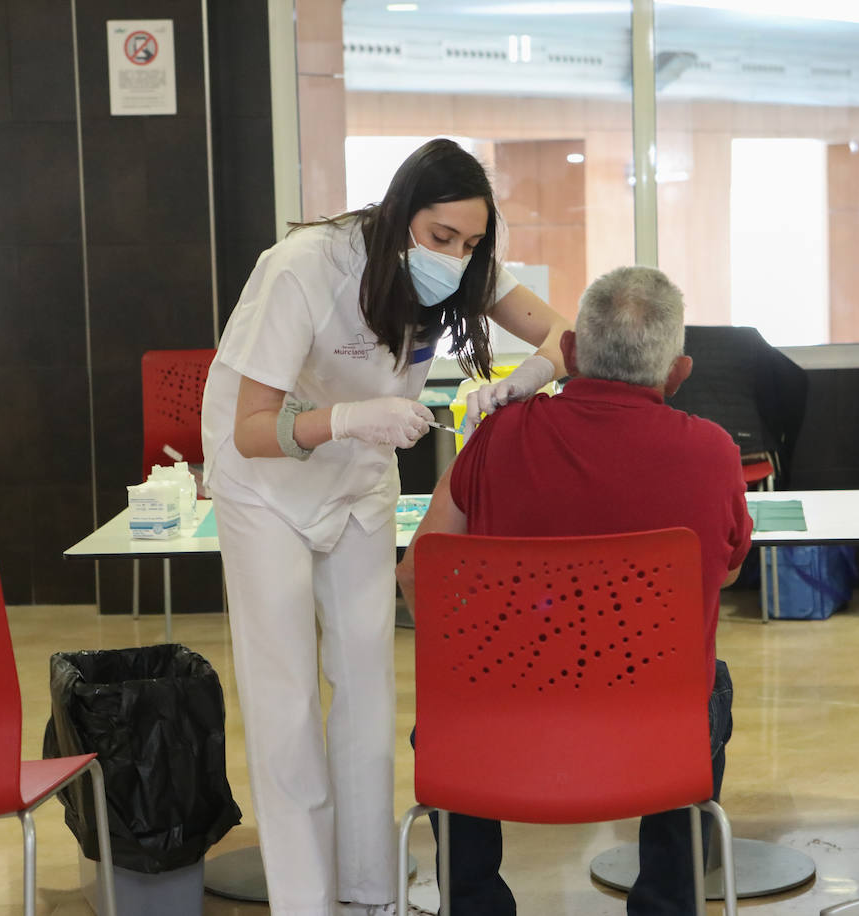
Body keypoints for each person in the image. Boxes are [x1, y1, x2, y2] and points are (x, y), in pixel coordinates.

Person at [200, 138, 571, 916]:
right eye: (441, 239)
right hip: (265, 479)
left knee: (368, 680)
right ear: (402, 214)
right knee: (287, 695)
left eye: (470, 245)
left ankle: (372, 892)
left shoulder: (465, 268)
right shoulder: (305, 266)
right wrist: (347, 416)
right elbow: (253, 429)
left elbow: (564, 337)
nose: (455, 258)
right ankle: (306, 898)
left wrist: (525, 379)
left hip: (359, 473)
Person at [396, 265, 752, 915]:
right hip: (656, 745)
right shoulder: (714, 453)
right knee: (708, 686)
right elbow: (725, 571)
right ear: (678, 374)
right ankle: (667, 905)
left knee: (453, 707)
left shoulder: (500, 437)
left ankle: (474, 904)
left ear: (567, 353)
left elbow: (420, 575)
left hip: (498, 738)